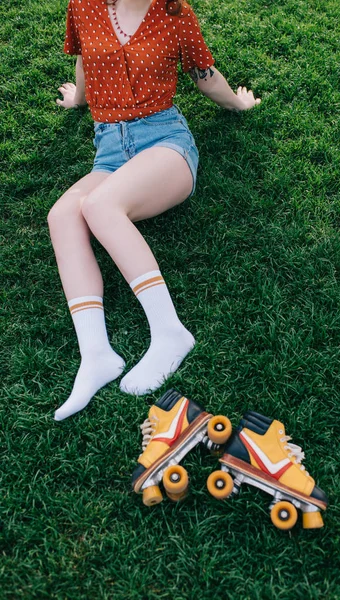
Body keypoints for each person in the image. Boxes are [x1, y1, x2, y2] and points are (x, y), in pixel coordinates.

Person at [50, 0, 261, 421]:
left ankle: (170, 333)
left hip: (166, 144)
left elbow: (205, 77)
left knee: (100, 206)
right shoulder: (83, 6)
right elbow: (85, 59)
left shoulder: (176, 14)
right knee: (63, 215)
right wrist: (79, 100)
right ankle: (96, 354)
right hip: (110, 150)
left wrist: (240, 105)